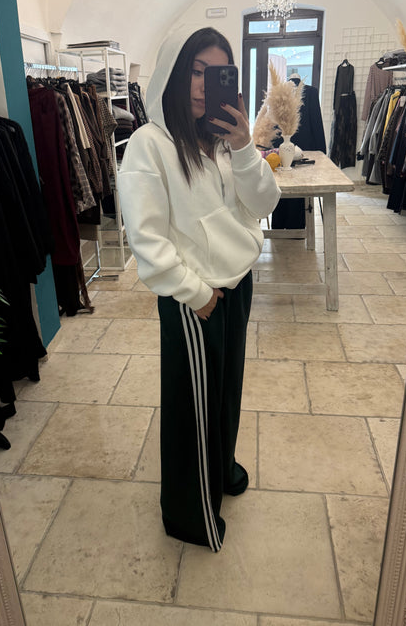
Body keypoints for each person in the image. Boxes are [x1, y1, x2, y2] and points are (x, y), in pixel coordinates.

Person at [119, 27, 280, 552]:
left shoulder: (222, 140)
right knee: (192, 406)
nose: (202, 84)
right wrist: (197, 294)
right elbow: (147, 240)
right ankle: (190, 513)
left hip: (237, 286)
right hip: (196, 298)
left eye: (216, 74)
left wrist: (245, 146)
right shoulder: (150, 144)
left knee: (226, 389)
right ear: (173, 71)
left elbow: (263, 205)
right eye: (195, 70)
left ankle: (221, 467)